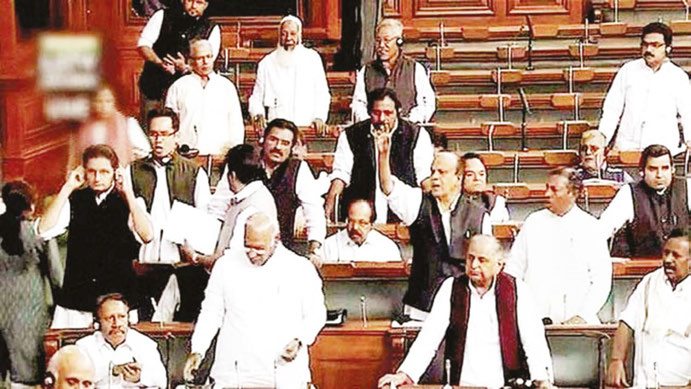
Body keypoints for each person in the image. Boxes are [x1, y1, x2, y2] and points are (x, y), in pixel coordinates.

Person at [377, 235, 553, 388]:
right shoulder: (451, 288)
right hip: (462, 384)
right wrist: (406, 373)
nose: (474, 265)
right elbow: (429, 338)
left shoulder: (517, 290)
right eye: (470, 258)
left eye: (482, 260)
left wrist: (542, 380)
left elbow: (533, 341)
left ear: (499, 265)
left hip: (507, 384)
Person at [183, 213, 326, 387]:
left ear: (276, 239)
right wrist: (198, 348)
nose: (252, 254)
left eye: (259, 248)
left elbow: (316, 314)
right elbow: (211, 313)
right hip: (234, 373)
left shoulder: (300, 268)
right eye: (247, 246)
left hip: (283, 373)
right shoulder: (225, 265)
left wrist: (300, 339)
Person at [378, 133, 491, 320]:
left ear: (458, 177)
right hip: (422, 307)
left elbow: (487, 262)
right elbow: (388, 187)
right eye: (433, 172)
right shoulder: (417, 203)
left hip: (464, 306)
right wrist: (383, 157)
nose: (435, 178)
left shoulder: (479, 216)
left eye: (442, 172)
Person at [38, 145, 153, 328]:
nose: (97, 178)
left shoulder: (131, 202)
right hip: (79, 299)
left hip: (118, 300)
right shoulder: (75, 201)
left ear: (115, 173)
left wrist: (128, 193)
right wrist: (68, 187)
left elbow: (147, 235)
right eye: (92, 172)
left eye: (104, 172)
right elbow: (44, 230)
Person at [126, 108, 211, 322]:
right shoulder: (133, 171)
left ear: (176, 136)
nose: (158, 140)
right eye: (154, 134)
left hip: (181, 262)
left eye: (164, 134)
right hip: (144, 260)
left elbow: (204, 217)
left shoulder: (193, 172)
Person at [505, 167, 612, 324]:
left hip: (578, 321)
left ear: (573, 193)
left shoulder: (590, 227)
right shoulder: (533, 222)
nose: (547, 194)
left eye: (554, 189)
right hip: (534, 318)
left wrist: (582, 315)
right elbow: (513, 271)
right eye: (547, 188)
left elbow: (601, 280)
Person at [326, 88, 434, 224]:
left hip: (403, 218)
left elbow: (424, 176)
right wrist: (329, 209)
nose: (382, 119)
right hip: (362, 218)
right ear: (369, 112)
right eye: (376, 113)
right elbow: (341, 175)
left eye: (388, 113)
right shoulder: (351, 135)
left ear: (398, 112)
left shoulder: (416, 135)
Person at [606, 229, 691, 388]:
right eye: (666, 253)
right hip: (643, 384)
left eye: (676, 255)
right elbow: (627, 322)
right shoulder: (650, 282)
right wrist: (616, 360)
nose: (668, 259)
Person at [0, 181, 61, 388]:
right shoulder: (39, 234)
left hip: (2, 310)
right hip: (31, 312)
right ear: (32, 205)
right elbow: (56, 277)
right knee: (29, 374)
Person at [598, 22, 691, 156]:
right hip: (627, 146)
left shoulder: (678, 77)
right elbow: (612, 109)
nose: (649, 49)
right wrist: (603, 141)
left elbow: (688, 113)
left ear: (668, 48)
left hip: (663, 149)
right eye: (645, 44)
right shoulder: (628, 70)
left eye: (655, 45)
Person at [194, 144, 278, 268]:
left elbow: (230, 260)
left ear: (231, 176)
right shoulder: (259, 195)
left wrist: (196, 258)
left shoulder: (249, 209)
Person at [599, 144, 689, 258]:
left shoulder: (687, 187)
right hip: (642, 269)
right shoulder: (629, 192)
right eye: (653, 169)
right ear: (642, 171)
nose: (659, 175)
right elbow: (602, 230)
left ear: (673, 169)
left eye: (665, 168)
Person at [137, 0, 220, 121]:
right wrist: (160, 63)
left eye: (199, 2)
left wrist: (186, 67)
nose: (193, 6)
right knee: (153, 130)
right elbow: (143, 45)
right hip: (155, 88)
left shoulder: (211, 28)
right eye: (190, 1)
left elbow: (208, 63)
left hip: (187, 93)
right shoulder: (162, 16)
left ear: (206, 5)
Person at [248, 15, 331, 135]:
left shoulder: (312, 59)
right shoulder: (267, 63)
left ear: (299, 35)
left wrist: (319, 117)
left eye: (292, 34)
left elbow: (322, 93)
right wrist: (257, 114)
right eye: (284, 34)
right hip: (278, 129)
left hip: (306, 127)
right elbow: (256, 96)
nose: (288, 38)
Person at [164, 39, 244, 156]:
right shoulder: (178, 87)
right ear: (191, 61)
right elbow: (168, 124)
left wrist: (234, 154)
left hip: (220, 156)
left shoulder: (226, 87)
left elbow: (236, 124)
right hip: (187, 156)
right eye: (200, 58)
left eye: (208, 56)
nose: (205, 61)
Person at [351, 18, 435, 124]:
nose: (381, 45)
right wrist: (370, 123)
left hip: (407, 132)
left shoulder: (415, 69)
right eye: (378, 41)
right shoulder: (366, 71)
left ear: (399, 42)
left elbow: (427, 104)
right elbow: (358, 104)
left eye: (386, 40)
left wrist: (408, 123)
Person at [75, 294, 167, 388]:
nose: (117, 324)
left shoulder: (145, 344)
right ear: (98, 322)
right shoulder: (84, 347)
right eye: (110, 318)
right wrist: (113, 370)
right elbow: (76, 380)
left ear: (128, 319)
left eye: (121, 317)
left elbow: (162, 381)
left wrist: (140, 378)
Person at [70, 84, 150, 168]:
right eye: (99, 101)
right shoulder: (82, 128)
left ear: (114, 102)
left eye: (108, 101)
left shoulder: (127, 124)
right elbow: (74, 160)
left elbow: (145, 153)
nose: (103, 106)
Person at [323, 199, 402, 263]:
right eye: (351, 221)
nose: (355, 227)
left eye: (362, 223)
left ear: (371, 225)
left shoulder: (387, 248)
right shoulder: (329, 246)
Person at [460, 152, 510, 223]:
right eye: (470, 174)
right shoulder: (453, 204)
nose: (477, 178)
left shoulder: (497, 204)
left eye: (481, 174)